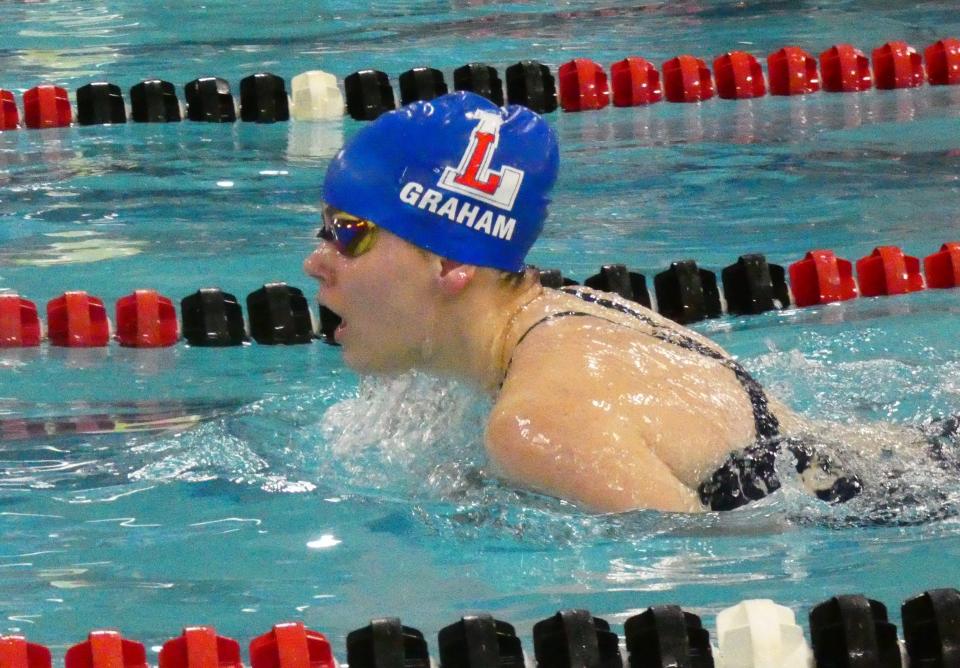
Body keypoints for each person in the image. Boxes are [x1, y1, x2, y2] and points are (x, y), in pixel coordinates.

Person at [303, 91, 864, 514]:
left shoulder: (536, 422)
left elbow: (729, 572)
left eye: (349, 232)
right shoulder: (561, 316)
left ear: (451, 264)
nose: (316, 261)